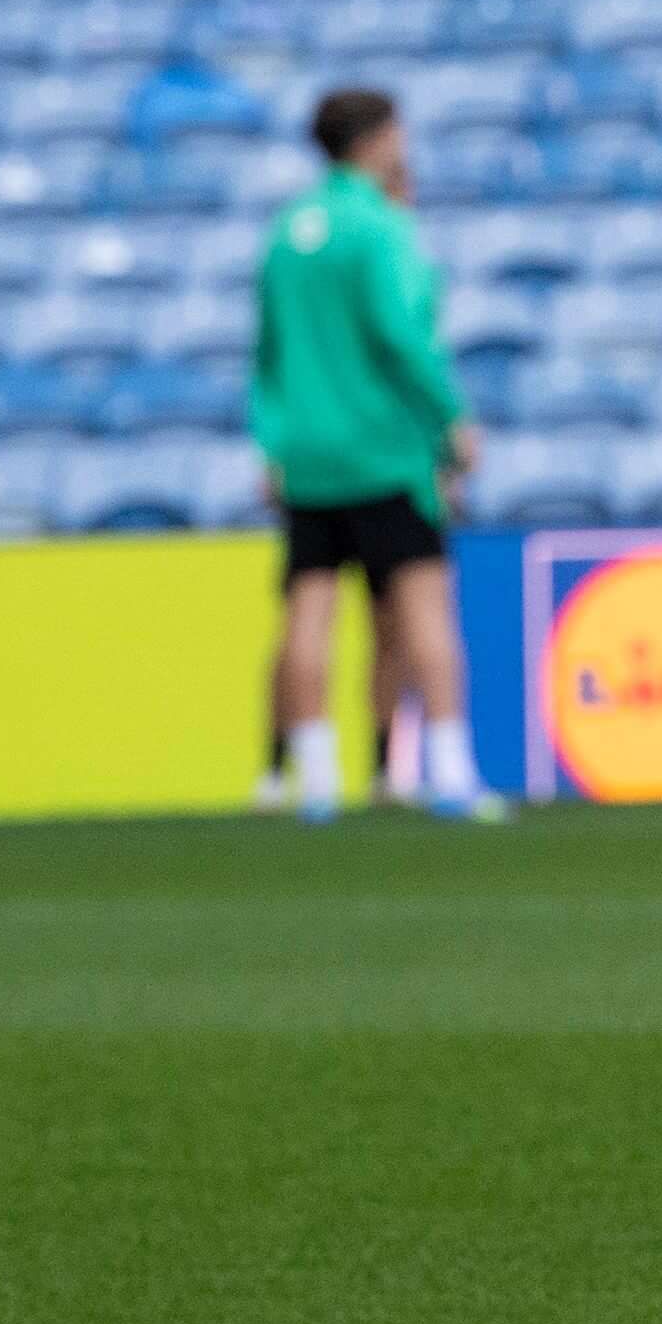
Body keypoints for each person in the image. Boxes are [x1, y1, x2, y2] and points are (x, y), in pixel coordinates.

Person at [254, 89, 498, 824]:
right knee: (424, 608)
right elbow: (398, 333)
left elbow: (266, 354)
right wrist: (451, 418)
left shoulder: (287, 229)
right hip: (384, 448)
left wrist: (273, 442)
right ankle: (449, 770)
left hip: (308, 454)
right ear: (375, 140)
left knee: (307, 615)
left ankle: (316, 783)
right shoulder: (379, 225)